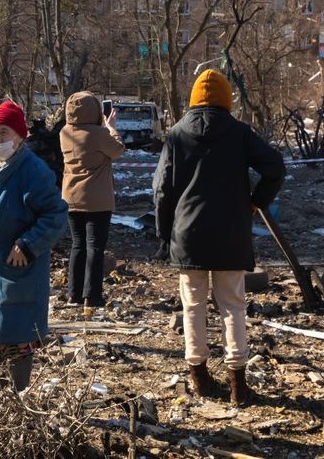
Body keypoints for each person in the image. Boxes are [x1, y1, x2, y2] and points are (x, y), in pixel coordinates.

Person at [153, 69, 285, 405]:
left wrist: (164, 234)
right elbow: (275, 166)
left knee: (193, 306)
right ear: (227, 100)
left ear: (194, 99)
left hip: (187, 234)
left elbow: (161, 190)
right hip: (231, 234)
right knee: (233, 307)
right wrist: (257, 201)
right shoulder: (239, 133)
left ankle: (199, 379)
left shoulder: (177, 134)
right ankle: (238, 386)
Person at [0, 100, 68, 391]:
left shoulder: (33, 170)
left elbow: (55, 214)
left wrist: (28, 245)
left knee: (15, 336)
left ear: (19, 136)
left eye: (4, 132)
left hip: (15, 269)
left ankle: (17, 398)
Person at [59, 92, 124, 315]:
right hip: (97, 199)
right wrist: (111, 127)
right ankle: (92, 296)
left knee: (78, 245)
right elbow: (118, 150)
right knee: (95, 247)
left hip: (71, 197)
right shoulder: (98, 134)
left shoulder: (64, 132)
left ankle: (73, 294)